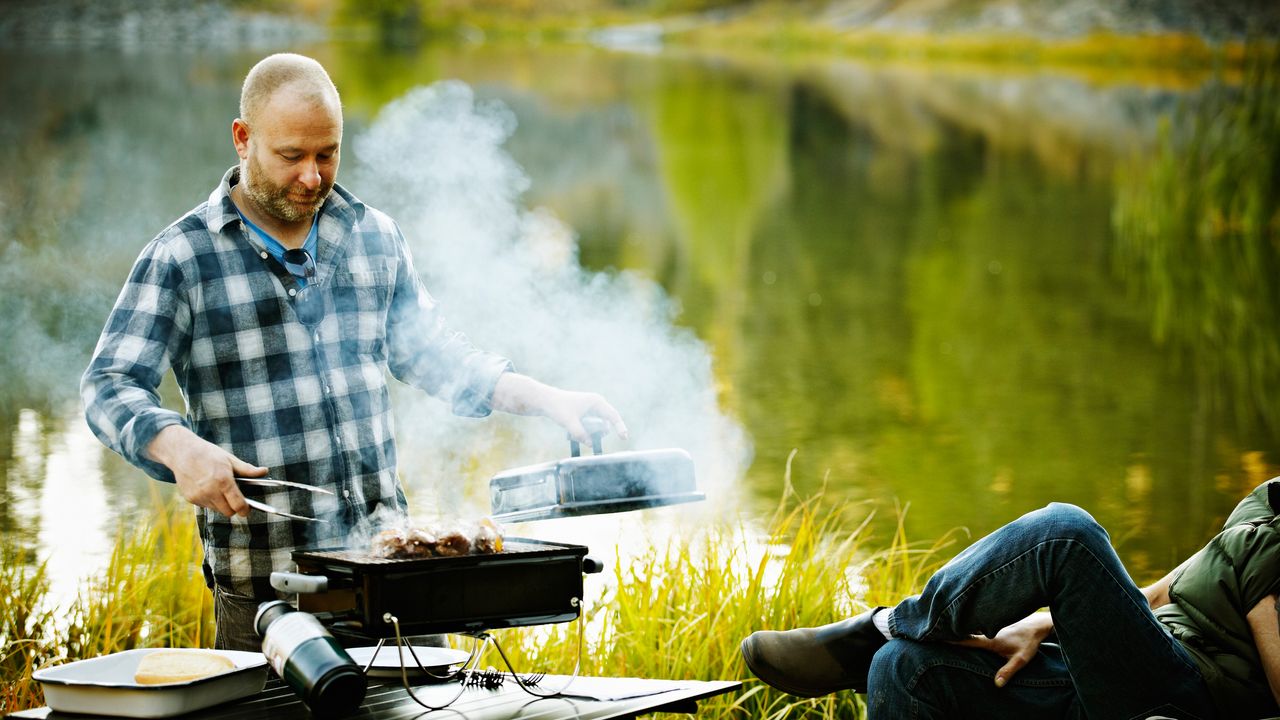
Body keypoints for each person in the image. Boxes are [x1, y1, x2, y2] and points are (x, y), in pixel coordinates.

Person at [81, 53, 627, 651]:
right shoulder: (182, 256)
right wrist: (178, 446)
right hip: (266, 590)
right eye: (292, 156)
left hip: (390, 572)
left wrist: (547, 399)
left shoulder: (374, 236)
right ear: (243, 139)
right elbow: (109, 385)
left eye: (328, 153)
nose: (313, 177)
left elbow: (437, 356)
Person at [741, 478, 1280, 719]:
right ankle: (885, 640)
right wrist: (1046, 623)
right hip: (1125, 669)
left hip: (1182, 699)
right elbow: (1161, 592)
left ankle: (879, 626)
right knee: (905, 668)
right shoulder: (1268, 501)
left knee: (1066, 534)